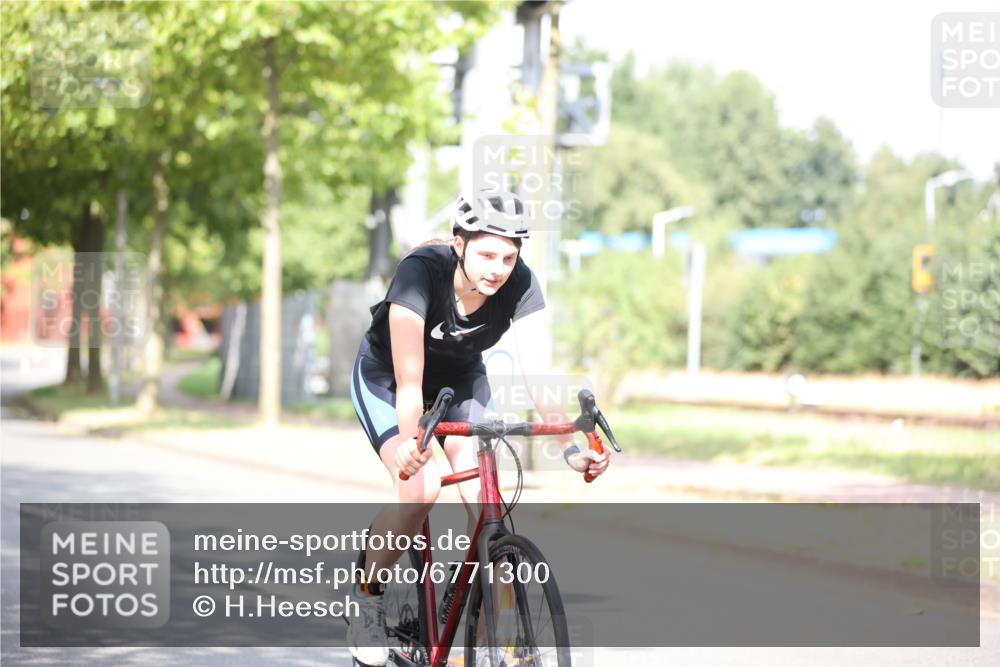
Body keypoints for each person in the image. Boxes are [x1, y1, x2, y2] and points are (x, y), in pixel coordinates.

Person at [346, 190, 610, 665]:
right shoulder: (419, 274)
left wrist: (570, 448)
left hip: (462, 380)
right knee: (421, 490)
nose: (498, 269)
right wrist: (411, 442)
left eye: (509, 257)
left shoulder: (520, 284)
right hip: (390, 379)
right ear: (459, 244)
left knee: (488, 503)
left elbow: (539, 379)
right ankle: (367, 595)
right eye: (487, 254)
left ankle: (482, 625)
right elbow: (410, 380)